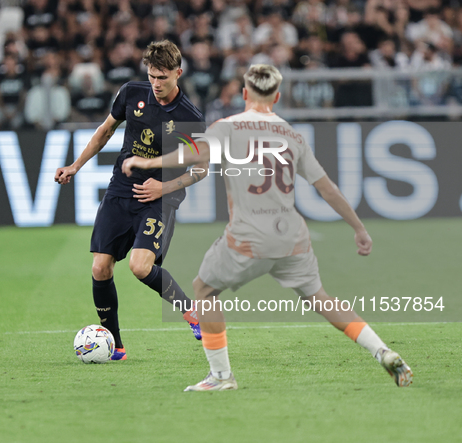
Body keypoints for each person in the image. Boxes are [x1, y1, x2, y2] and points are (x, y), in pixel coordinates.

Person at [122, 64, 413, 390]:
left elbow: (195, 153)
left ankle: (221, 376)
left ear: (245, 94)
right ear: (276, 96)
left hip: (248, 237)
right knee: (320, 299)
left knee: (203, 290)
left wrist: (148, 162)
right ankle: (382, 350)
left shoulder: (228, 127)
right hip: (291, 235)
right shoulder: (292, 134)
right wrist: (359, 228)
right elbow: (326, 187)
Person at [55, 40, 207, 361]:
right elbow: (105, 131)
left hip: (159, 199)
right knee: (100, 268)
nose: (156, 83)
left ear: (178, 73)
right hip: (121, 191)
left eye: (163, 77)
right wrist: (75, 166)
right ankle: (115, 346)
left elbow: (201, 169)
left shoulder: (188, 117)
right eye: (152, 76)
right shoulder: (131, 93)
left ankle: (191, 311)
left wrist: (162, 190)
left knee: (140, 266)